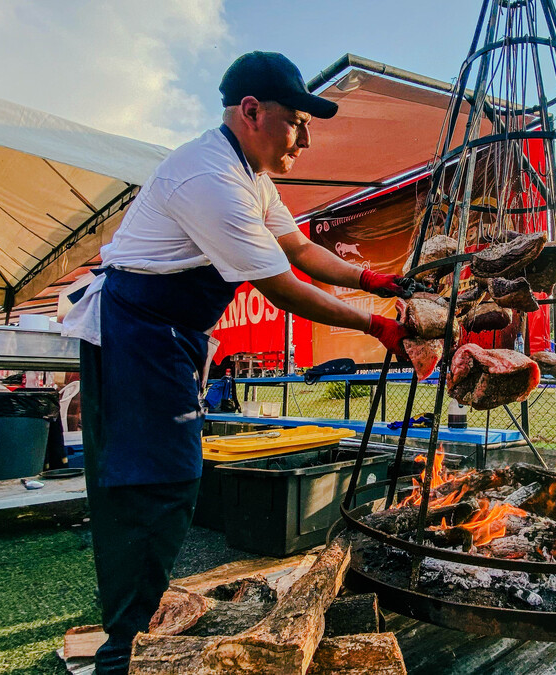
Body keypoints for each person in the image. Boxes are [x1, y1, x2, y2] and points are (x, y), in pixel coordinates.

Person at [62, 51, 417, 674]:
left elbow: (301, 247)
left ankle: (136, 628)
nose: (306, 137)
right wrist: (372, 322)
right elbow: (281, 285)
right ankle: (122, 651)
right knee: (148, 484)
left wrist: (371, 278)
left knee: (169, 478)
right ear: (251, 111)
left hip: (171, 336)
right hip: (134, 333)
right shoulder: (210, 177)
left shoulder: (253, 176)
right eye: (297, 120)